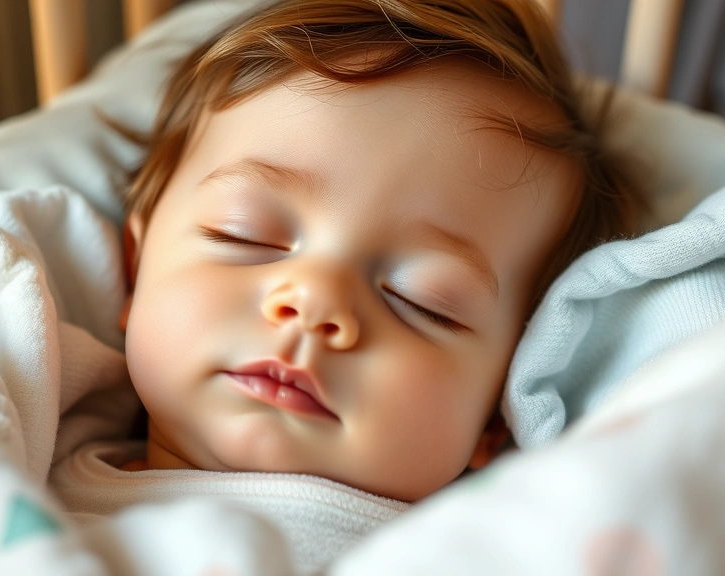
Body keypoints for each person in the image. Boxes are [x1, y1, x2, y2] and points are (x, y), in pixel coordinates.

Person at [113, 0, 640, 503]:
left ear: (498, 413)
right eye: (243, 235)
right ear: (135, 271)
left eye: (422, 302)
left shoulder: (490, 544)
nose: (316, 302)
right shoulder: (35, 458)